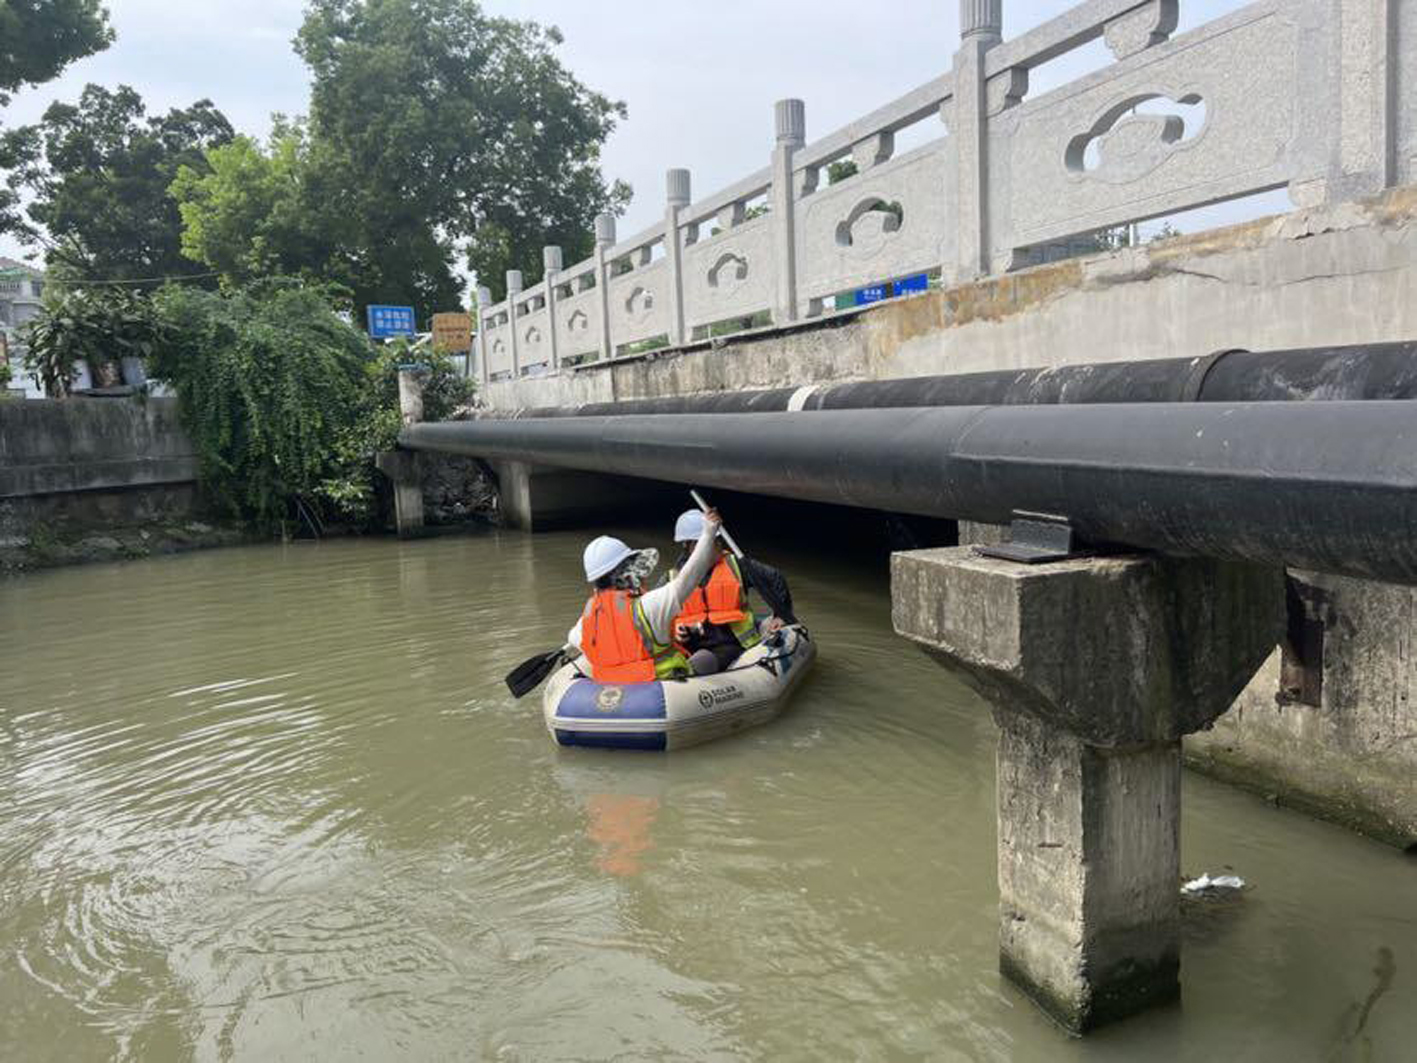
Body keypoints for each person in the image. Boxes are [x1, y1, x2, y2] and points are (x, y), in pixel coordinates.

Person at [567, 508, 725, 684]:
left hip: (609, 687)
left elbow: (573, 638)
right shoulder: (649, 606)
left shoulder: (587, 618)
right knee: (706, 658)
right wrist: (709, 533)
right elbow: (691, 574)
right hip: (659, 686)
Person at [666, 508, 797, 676]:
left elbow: (775, 578)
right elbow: (655, 616)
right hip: (690, 643)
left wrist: (780, 615)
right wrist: (674, 630)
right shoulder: (673, 577)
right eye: (704, 543)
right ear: (688, 547)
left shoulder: (738, 566)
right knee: (683, 659)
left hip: (730, 643)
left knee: (704, 659)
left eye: (714, 541)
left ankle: (691, 671)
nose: (715, 546)